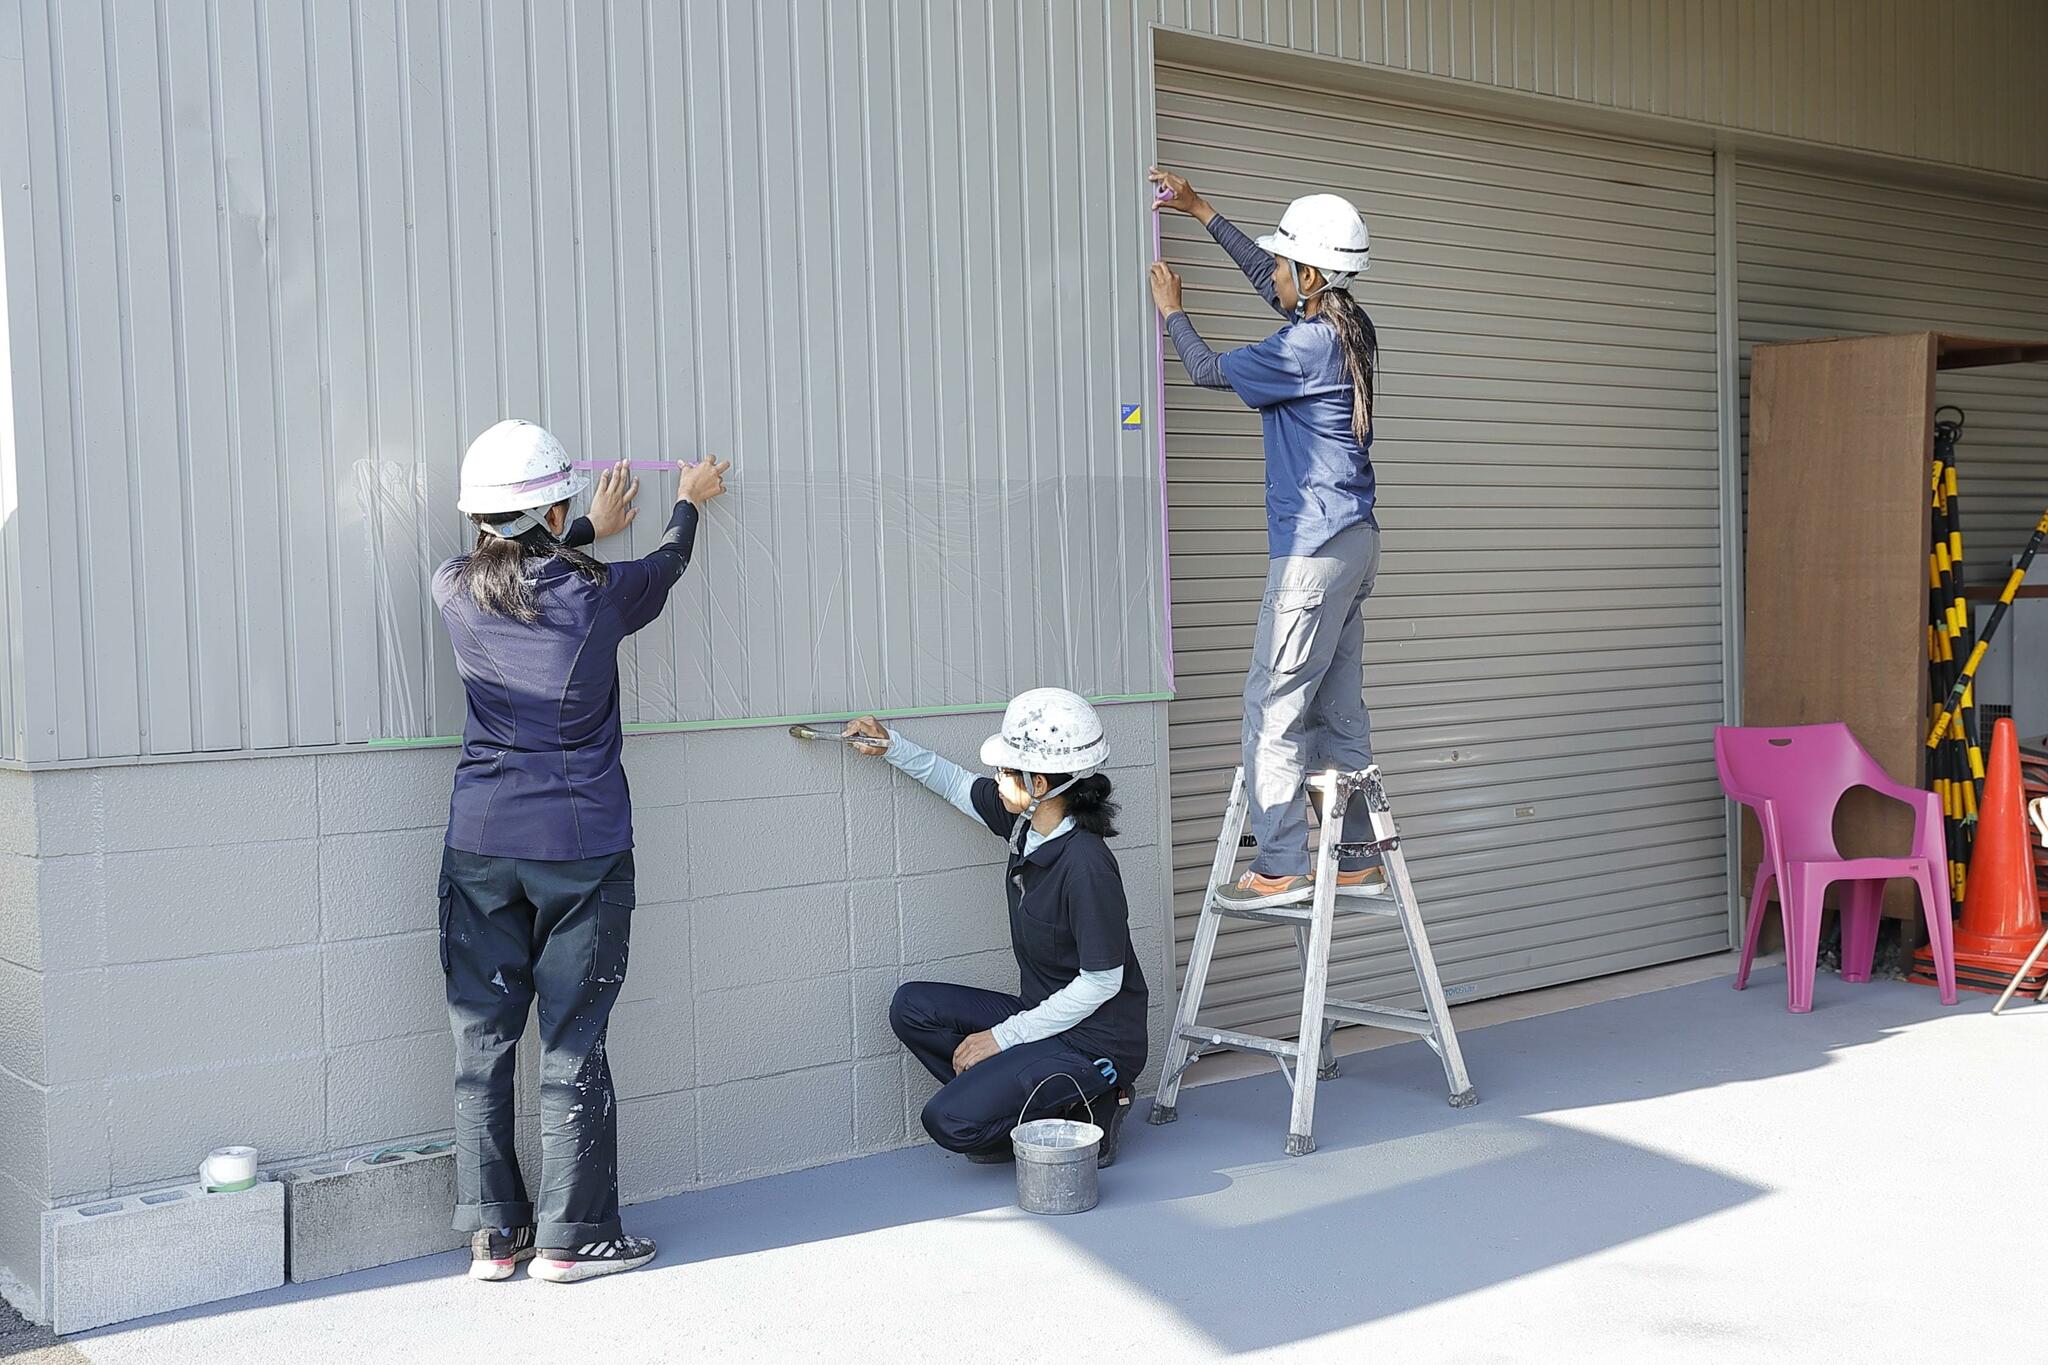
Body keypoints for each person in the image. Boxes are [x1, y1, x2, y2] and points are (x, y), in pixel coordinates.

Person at [432, 418, 728, 1284]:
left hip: (479, 845)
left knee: (481, 1043)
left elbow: (519, 569)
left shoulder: (451, 586)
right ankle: (573, 1237)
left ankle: (495, 1239)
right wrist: (686, 503)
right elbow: (665, 568)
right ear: (552, 512)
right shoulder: (601, 593)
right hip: (581, 848)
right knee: (571, 1038)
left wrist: (581, 525)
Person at [1148, 167, 1388, 911]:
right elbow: (1271, 281)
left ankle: (1281, 864)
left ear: (1311, 274)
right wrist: (1199, 210)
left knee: (1274, 703)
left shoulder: (1298, 350)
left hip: (1311, 551)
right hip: (1353, 543)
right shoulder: (1347, 324)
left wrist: (1172, 312)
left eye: (1286, 262)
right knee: (1337, 709)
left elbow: (1208, 371)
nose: (1274, 271)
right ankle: (1355, 856)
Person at [846, 689, 1147, 1166]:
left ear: (1042, 783)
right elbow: (955, 785)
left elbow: (1103, 980)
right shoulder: (1028, 824)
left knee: (951, 1121)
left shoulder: (1086, 865)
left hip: (1095, 1043)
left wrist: (1002, 1038)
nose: (997, 778)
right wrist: (891, 746)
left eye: (1007, 771)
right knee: (913, 1006)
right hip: (1044, 1017)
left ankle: (1093, 1100)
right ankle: (1052, 1105)